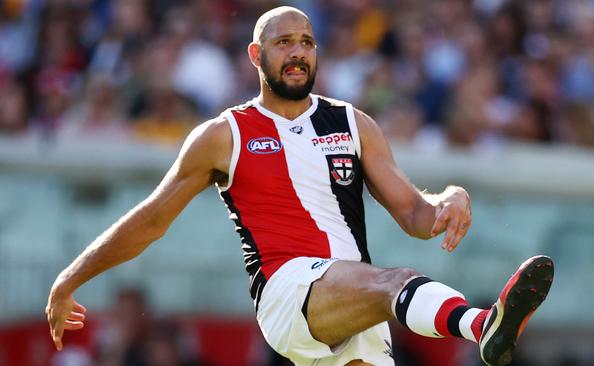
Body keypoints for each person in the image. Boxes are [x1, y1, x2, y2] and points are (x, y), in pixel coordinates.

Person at [46, 7, 554, 366]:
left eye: (307, 42)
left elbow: (417, 216)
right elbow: (152, 220)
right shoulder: (225, 134)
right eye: (283, 42)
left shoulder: (353, 123)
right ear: (255, 54)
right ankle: (482, 325)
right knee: (396, 281)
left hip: (353, 302)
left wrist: (450, 197)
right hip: (289, 293)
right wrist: (70, 278)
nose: (297, 53)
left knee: (384, 285)